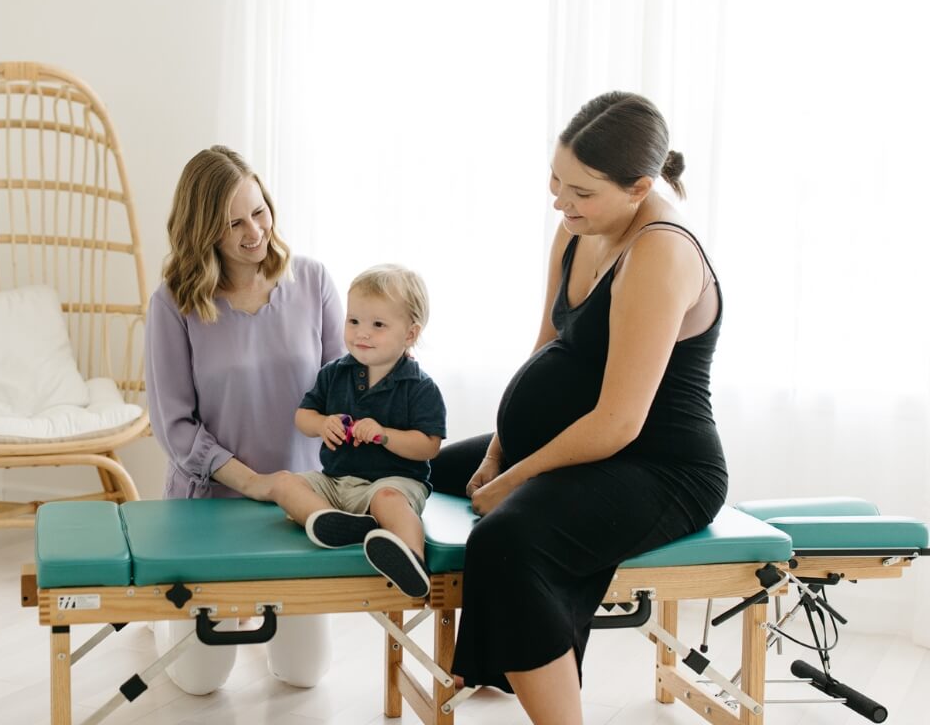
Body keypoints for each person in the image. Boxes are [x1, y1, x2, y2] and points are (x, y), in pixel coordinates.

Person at [428, 92, 727, 725]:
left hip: (661, 465)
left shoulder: (660, 251)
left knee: (508, 539)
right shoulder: (577, 231)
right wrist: (497, 450)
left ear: (639, 187)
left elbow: (621, 421)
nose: (562, 203)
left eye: (581, 192)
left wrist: (514, 481)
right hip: (588, 444)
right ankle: (502, 655)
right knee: (442, 471)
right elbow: (545, 351)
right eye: (556, 182)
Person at [144, 144, 343, 694]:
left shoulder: (313, 281)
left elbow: (341, 385)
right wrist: (254, 482)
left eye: (259, 211)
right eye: (233, 223)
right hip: (213, 505)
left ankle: (259, 612)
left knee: (304, 674)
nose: (254, 231)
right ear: (203, 229)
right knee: (199, 681)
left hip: (301, 504)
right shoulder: (173, 304)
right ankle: (161, 625)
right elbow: (174, 424)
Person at [251, 264, 446, 598]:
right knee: (283, 483)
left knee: (389, 501)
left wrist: (385, 434)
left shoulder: (419, 387)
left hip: (393, 483)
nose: (361, 333)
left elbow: (428, 446)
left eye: (378, 325)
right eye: (353, 321)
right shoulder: (335, 373)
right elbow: (303, 416)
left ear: (410, 334)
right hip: (337, 483)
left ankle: (412, 561)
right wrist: (321, 424)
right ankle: (331, 522)